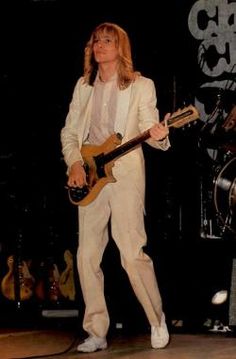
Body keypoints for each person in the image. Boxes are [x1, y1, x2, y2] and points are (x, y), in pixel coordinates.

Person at [61, 22, 171, 353]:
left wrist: (160, 136)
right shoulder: (83, 87)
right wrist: (75, 163)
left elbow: (151, 129)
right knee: (86, 255)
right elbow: (69, 132)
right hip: (91, 177)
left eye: (107, 41)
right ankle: (96, 330)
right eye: (96, 41)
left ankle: (157, 320)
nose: (100, 46)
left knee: (131, 253)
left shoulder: (141, 85)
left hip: (125, 177)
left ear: (120, 47)